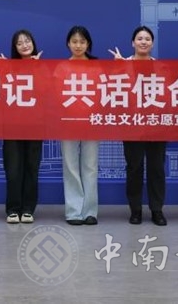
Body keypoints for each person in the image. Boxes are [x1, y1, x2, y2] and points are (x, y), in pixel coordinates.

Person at [109, 26, 168, 226]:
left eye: (147, 39)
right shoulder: (123, 65)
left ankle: (157, 210)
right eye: (140, 38)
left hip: (156, 124)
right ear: (132, 43)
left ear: (152, 43)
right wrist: (118, 68)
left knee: (156, 168)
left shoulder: (161, 67)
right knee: (134, 168)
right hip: (132, 124)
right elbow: (114, 93)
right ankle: (135, 210)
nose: (143, 42)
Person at [0, 29, 43, 224]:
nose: (24, 45)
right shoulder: (8, 67)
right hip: (12, 126)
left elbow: (47, 93)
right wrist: (3, 70)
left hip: (35, 126)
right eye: (20, 43)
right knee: (13, 169)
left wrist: (37, 69)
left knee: (32, 167)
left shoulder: (43, 67)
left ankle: (28, 209)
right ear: (15, 48)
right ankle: (13, 209)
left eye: (27, 41)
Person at [61, 25, 100, 226]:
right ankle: (74, 211)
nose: (78, 45)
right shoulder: (61, 67)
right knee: (70, 166)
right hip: (67, 122)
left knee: (90, 166)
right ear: (68, 44)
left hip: (91, 121)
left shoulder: (97, 67)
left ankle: (90, 211)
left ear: (88, 44)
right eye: (74, 42)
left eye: (82, 42)